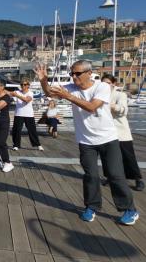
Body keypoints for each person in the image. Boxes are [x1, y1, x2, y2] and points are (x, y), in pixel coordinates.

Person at [36, 60, 138, 225]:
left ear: (89, 73)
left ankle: (129, 210)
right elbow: (49, 93)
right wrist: (43, 80)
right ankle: (91, 207)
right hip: (86, 140)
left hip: (108, 138)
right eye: (72, 73)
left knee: (115, 175)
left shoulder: (102, 87)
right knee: (90, 175)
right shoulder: (71, 87)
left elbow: (92, 107)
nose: (74, 76)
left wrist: (68, 96)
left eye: (77, 73)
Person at [102, 74, 144, 191]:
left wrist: (111, 106)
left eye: (108, 83)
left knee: (128, 156)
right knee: (107, 157)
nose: (106, 85)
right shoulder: (100, 95)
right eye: (103, 83)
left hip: (121, 132)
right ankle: (110, 177)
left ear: (113, 84)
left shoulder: (121, 95)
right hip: (106, 133)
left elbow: (123, 110)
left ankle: (137, 179)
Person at [10, 79, 44, 151]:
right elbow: (8, 93)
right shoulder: (17, 92)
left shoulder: (30, 93)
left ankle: (38, 144)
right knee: (16, 130)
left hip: (29, 115)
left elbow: (26, 100)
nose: (23, 86)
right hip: (18, 114)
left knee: (32, 131)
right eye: (21, 84)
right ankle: (16, 145)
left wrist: (16, 95)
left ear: (28, 85)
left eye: (25, 84)